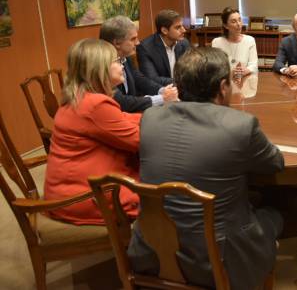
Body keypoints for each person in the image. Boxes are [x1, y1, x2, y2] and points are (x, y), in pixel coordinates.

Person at [128, 47, 284, 290]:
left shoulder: (149, 118)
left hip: (148, 251)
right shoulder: (240, 125)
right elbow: (275, 163)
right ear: (223, 86)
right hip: (218, 262)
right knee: (274, 215)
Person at [44, 38, 140, 225]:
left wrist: (151, 117)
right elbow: (140, 141)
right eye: (117, 61)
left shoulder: (81, 97)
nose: (122, 66)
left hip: (68, 190)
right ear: (99, 69)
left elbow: (121, 119)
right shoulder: (95, 105)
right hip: (83, 197)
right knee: (162, 191)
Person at [100, 15, 178, 113]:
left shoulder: (125, 56)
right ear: (117, 43)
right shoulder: (101, 66)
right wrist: (162, 98)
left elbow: (139, 78)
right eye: (133, 39)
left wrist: (162, 90)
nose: (137, 43)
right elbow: (121, 101)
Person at [136, 9, 190, 85]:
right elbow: (152, 79)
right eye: (178, 27)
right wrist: (181, 83)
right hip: (161, 91)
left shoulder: (184, 42)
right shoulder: (145, 48)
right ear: (164, 30)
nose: (184, 30)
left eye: (182, 26)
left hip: (183, 89)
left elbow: (191, 69)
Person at [211, 7, 258, 77]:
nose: (239, 24)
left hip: (244, 80)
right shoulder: (217, 42)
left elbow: (254, 65)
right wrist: (230, 72)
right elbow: (215, 67)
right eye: (234, 21)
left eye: (239, 20)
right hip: (225, 80)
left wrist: (246, 70)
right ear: (226, 26)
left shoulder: (250, 40)